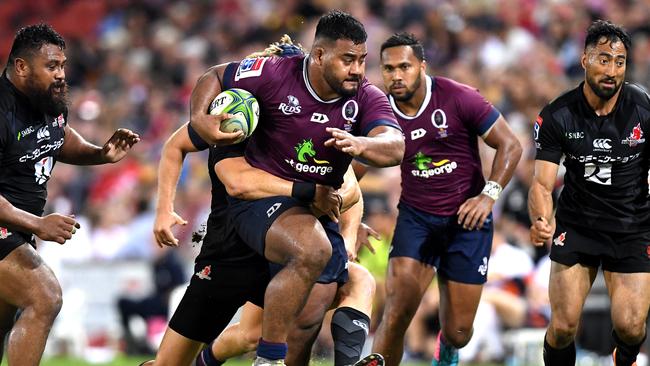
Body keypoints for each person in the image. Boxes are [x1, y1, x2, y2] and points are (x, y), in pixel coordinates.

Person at [189, 10, 404, 365]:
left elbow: (395, 145)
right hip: (261, 202)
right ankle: (268, 361)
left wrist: (363, 145)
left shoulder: (364, 97)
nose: (357, 70)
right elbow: (213, 76)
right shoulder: (273, 74)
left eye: (363, 60)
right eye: (348, 60)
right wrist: (200, 119)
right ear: (319, 55)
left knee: (307, 321)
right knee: (311, 250)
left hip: (316, 211)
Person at [366, 33, 522, 366]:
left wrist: (488, 196)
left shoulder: (458, 97)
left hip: (468, 221)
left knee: (459, 332)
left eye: (404, 67)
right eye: (388, 68)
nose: (396, 75)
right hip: (417, 218)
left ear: (422, 66)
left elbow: (511, 144)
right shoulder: (379, 111)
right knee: (396, 311)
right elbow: (356, 166)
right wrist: (348, 215)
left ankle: (446, 352)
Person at [0, 24, 140, 365]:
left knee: (1, 322)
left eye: (62, 65)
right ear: (21, 67)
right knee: (44, 297)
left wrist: (98, 154)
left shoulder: (47, 99)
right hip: (8, 224)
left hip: (16, 227)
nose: (61, 74)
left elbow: (58, 136)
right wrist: (36, 223)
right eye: (51, 66)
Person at [529, 20, 650, 366]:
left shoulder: (644, 110)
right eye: (603, 59)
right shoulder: (558, 115)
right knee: (564, 327)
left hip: (632, 226)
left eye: (620, 62)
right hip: (578, 225)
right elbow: (541, 183)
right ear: (584, 61)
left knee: (631, 327)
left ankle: (621, 359)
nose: (612, 70)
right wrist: (541, 219)